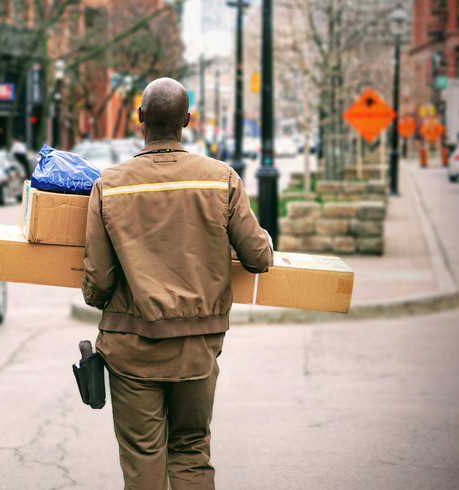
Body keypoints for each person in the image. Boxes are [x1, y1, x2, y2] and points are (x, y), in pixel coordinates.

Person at [81, 78, 274, 489]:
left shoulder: (110, 185)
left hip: (131, 349)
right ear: (187, 120)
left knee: (143, 457)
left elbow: (98, 282)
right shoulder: (220, 178)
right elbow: (258, 258)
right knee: (190, 451)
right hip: (198, 349)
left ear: (140, 120)